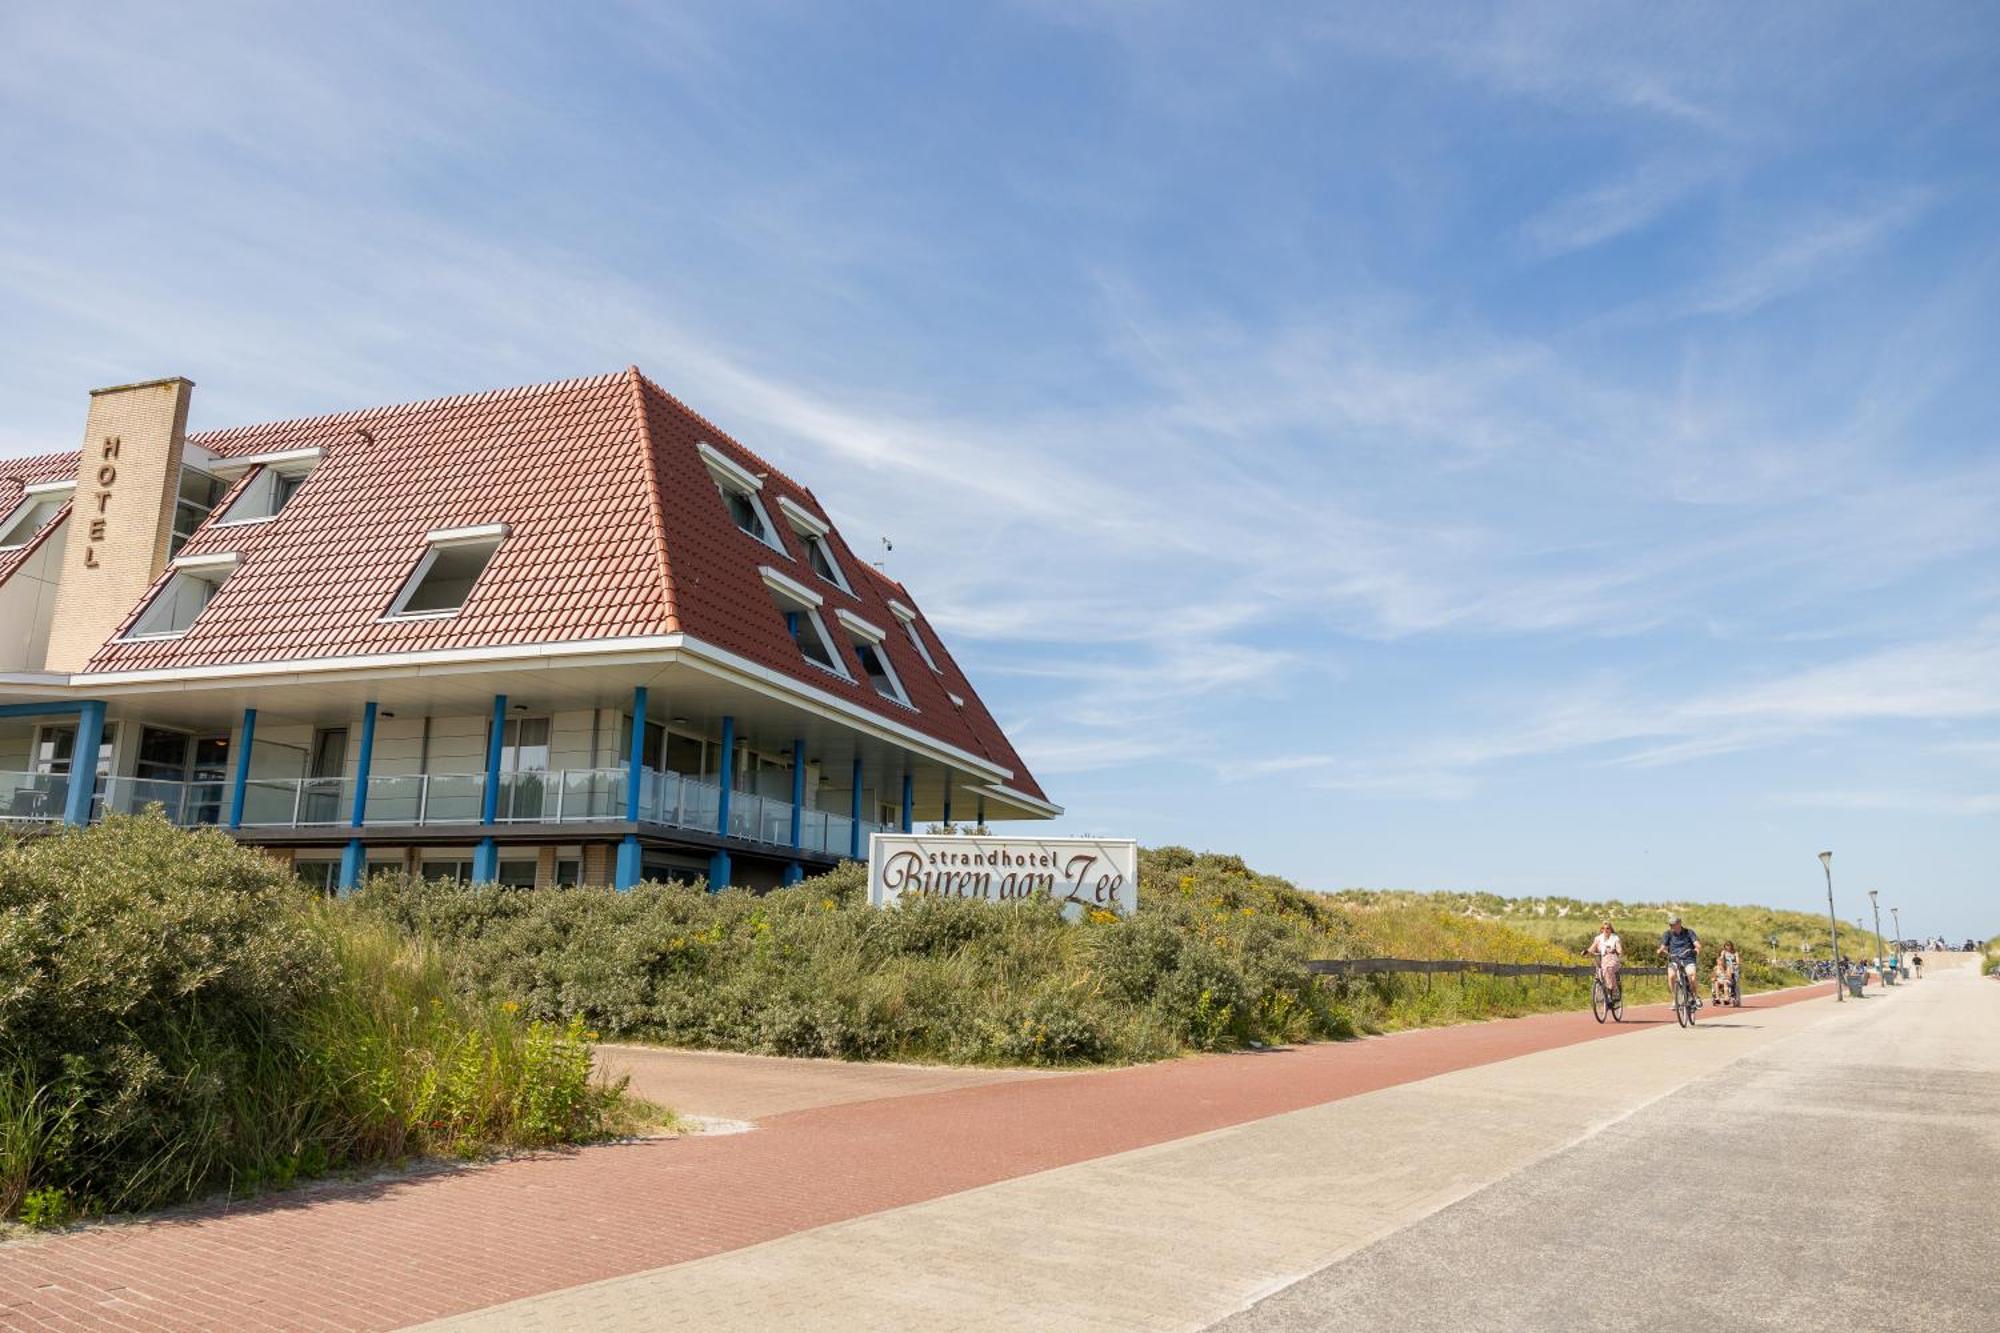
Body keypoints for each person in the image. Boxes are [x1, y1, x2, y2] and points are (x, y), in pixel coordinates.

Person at [1658, 914, 1702, 1009]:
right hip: (1674, 958)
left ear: (1679, 923)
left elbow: (1696, 943)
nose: (1671, 926)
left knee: (1692, 976)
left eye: (1673, 924)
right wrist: (1660, 950)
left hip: (1688, 958)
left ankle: (1695, 996)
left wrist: (1697, 948)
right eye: (1670, 924)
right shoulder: (1668, 934)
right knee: (1671, 976)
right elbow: (1663, 945)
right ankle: (1675, 999)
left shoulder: (1689, 932)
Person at [1585, 920, 1623, 1002]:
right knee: (1599, 973)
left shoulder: (1614, 938)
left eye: (1608, 928)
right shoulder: (1598, 938)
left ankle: (1614, 991)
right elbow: (1593, 947)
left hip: (1612, 958)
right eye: (1603, 928)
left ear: (1611, 929)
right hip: (1602, 959)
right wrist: (1586, 951)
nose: (1605, 930)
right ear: (1601, 929)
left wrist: (1617, 951)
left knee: (1608, 969)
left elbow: (1619, 947)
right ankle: (1601, 993)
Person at [1717, 940, 1741, 1005]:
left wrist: (1737, 965)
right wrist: (1720, 962)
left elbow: (1738, 962)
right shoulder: (1724, 952)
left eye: (1729, 946)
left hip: (1734, 968)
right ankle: (1727, 996)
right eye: (1726, 946)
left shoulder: (1735, 953)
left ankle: (1737, 998)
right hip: (1727, 969)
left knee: (1736, 983)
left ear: (1731, 946)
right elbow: (1721, 958)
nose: (1728, 947)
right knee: (1726, 982)